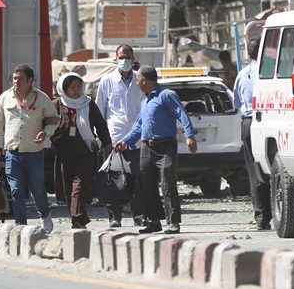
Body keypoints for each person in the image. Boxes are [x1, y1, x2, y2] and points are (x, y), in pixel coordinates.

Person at [114, 65, 198, 234]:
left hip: (165, 146)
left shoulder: (166, 95)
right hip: (146, 147)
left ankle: (173, 222)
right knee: (147, 184)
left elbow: (182, 114)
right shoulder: (144, 100)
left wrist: (190, 135)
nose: (136, 82)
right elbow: (138, 126)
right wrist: (125, 141)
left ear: (144, 80)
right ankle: (154, 221)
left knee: (168, 184)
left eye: (137, 79)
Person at [0, 64, 59, 232]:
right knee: (16, 190)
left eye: (20, 79)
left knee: (38, 190)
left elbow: (54, 119)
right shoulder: (5, 98)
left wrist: (45, 133)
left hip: (34, 153)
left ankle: (45, 217)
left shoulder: (41, 98)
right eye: (14, 78)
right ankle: (21, 225)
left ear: (30, 80)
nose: (16, 82)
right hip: (12, 153)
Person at [95, 44, 147, 227]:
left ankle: (139, 215)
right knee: (113, 178)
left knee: (136, 178)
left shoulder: (140, 81)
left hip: (136, 137)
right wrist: (102, 138)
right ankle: (114, 217)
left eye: (127, 57)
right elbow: (99, 110)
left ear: (132, 58)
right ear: (116, 59)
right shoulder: (107, 81)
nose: (124, 60)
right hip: (113, 136)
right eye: (120, 57)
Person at [52, 72, 111, 229]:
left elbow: (100, 124)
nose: (76, 90)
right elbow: (46, 123)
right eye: (72, 87)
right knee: (68, 187)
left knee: (79, 185)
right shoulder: (57, 104)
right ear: (64, 89)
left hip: (86, 151)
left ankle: (77, 218)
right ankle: (80, 219)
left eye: (79, 86)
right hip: (65, 153)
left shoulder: (88, 104)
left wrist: (107, 143)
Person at [233, 37, 272, 230]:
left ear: (249, 54)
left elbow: (237, 103)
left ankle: (261, 217)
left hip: (249, 122)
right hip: (269, 120)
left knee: (254, 171)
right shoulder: (271, 72)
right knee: (275, 168)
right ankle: (281, 211)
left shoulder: (242, 74)